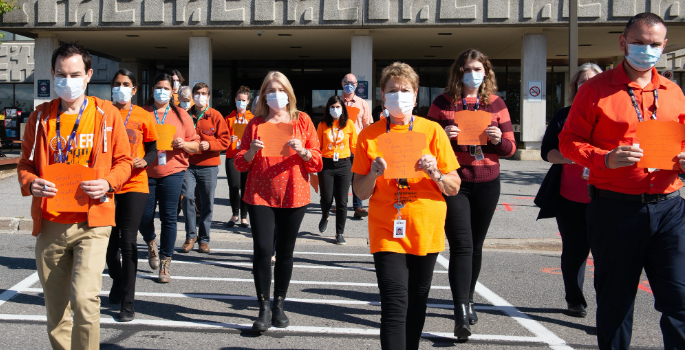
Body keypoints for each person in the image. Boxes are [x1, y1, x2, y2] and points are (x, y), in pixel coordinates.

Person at [559, 12, 685, 350]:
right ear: (623, 43)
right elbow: (568, 140)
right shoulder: (595, 90)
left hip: (669, 208)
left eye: (654, 44)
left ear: (664, 46)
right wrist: (605, 159)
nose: (647, 50)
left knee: (680, 301)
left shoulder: (674, 92)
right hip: (615, 209)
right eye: (639, 43)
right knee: (615, 305)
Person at [17, 42, 132, 349]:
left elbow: (124, 162)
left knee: (84, 299)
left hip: (93, 222)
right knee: (56, 309)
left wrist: (108, 183)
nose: (67, 81)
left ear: (88, 75)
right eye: (60, 74)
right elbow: (25, 165)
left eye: (75, 74)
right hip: (51, 222)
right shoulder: (40, 117)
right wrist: (31, 183)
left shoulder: (106, 114)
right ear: (52, 74)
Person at [352, 62, 461, 350]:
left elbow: (454, 186)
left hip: (426, 225)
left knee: (417, 302)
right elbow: (360, 192)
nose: (399, 96)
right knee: (394, 303)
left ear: (416, 95)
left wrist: (435, 171)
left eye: (405, 90)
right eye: (392, 91)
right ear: (382, 95)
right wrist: (374, 172)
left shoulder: (433, 131)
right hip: (387, 228)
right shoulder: (369, 135)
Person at [426, 48, 516, 339]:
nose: (472, 74)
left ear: (486, 73)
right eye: (467, 69)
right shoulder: (442, 103)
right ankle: (460, 309)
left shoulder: (496, 104)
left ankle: (470, 297)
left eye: (478, 69)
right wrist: (444, 135)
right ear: (458, 72)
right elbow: (427, 145)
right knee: (462, 245)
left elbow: (510, 149)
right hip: (456, 182)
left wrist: (500, 139)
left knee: (476, 245)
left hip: (488, 181)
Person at [234, 71, 322, 332]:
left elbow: (317, 160)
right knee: (262, 249)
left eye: (280, 90)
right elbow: (239, 162)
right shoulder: (256, 123)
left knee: (285, 252)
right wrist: (251, 150)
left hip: (295, 194)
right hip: (260, 194)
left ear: (289, 93)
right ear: (263, 96)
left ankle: (279, 305)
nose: (276, 95)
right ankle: (263, 306)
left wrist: (303, 150)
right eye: (270, 91)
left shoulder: (303, 120)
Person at [535, 63, 603, 318]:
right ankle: (575, 300)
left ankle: (607, 306)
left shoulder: (612, 115)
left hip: (607, 196)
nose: (587, 84)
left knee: (606, 254)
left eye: (592, 80)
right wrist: (571, 156)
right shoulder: (564, 115)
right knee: (574, 251)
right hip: (570, 195)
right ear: (575, 87)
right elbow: (547, 152)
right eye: (582, 81)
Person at [106, 69, 159, 322]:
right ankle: (118, 280)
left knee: (127, 242)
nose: (121, 88)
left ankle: (127, 302)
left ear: (134, 89)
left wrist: (144, 161)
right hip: (108, 185)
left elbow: (153, 149)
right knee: (109, 246)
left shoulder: (143, 115)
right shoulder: (103, 113)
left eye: (126, 84)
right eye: (117, 84)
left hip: (135, 184)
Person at [139, 73, 200, 283]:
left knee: (169, 218)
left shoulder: (182, 115)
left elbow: (196, 145)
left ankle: (165, 261)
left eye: (165, 88)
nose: (161, 92)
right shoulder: (143, 113)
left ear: (172, 91)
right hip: (146, 172)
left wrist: (184, 144)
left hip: (174, 171)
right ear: (152, 89)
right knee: (144, 217)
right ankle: (150, 242)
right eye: (158, 87)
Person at [180, 82, 230, 254]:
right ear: (193, 96)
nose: (200, 96)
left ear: (208, 97)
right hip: (188, 164)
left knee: (207, 202)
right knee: (187, 198)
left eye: (203, 93)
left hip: (209, 166)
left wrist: (211, 145)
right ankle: (190, 236)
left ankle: (204, 239)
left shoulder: (215, 115)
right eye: (197, 93)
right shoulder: (185, 114)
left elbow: (225, 141)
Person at [316, 95, 357, 245]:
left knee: (342, 201)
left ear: (343, 109)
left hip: (344, 164)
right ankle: (325, 215)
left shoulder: (349, 124)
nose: (335, 110)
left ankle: (339, 232)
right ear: (328, 109)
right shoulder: (322, 124)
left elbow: (355, 146)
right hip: (326, 164)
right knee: (326, 198)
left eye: (338, 107)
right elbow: (317, 146)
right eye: (332, 107)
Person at [341, 73, 372, 219]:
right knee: (341, 176)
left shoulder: (362, 103)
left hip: (356, 145)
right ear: (342, 83)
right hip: (338, 144)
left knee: (357, 175)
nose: (349, 85)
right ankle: (339, 204)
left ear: (356, 85)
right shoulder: (336, 102)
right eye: (347, 82)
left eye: (352, 83)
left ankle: (358, 207)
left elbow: (367, 125)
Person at [225, 85, 253, 228]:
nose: (241, 102)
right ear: (235, 100)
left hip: (247, 156)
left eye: (243, 100)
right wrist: (228, 139)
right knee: (234, 186)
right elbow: (222, 139)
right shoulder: (229, 118)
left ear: (248, 101)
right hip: (232, 155)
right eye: (238, 99)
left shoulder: (252, 119)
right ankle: (235, 214)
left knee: (246, 187)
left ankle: (244, 217)